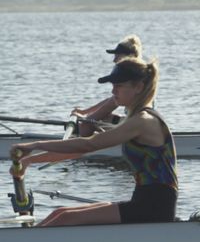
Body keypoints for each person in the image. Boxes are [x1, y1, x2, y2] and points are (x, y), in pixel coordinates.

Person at [10, 57, 178, 228]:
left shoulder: (143, 120)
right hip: (143, 201)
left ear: (138, 87)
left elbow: (88, 144)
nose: (113, 92)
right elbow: (79, 150)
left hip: (155, 207)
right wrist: (29, 160)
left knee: (65, 219)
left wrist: (35, 145)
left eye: (118, 86)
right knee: (59, 213)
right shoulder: (132, 120)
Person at [71, 35, 142, 136]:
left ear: (129, 56)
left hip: (135, 128)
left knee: (87, 124)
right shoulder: (138, 74)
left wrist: (85, 120)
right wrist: (84, 112)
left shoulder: (131, 81)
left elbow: (110, 105)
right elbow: (111, 100)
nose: (114, 60)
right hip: (134, 122)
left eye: (117, 56)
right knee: (101, 118)